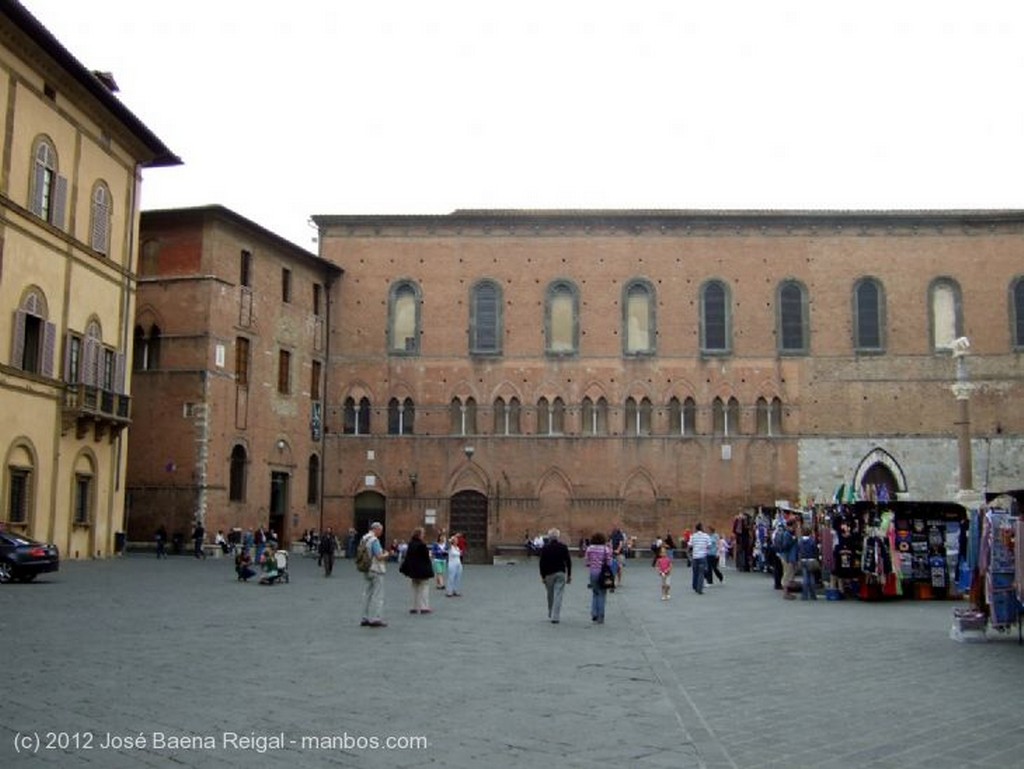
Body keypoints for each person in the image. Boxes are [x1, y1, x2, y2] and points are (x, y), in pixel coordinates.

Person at [538, 528, 572, 623]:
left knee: (550, 594)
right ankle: (555, 616)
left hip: (548, 574)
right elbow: (568, 562)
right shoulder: (563, 547)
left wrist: (542, 576)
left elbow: (541, 563)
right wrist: (569, 575)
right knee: (558, 595)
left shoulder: (545, 548)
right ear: (558, 537)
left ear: (549, 537)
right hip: (560, 573)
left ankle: (551, 612)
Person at [399, 527, 434, 614]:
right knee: (424, 588)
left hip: (413, 570)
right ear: (419, 535)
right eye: (422, 534)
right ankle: (424, 607)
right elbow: (426, 557)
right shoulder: (422, 545)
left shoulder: (411, 544)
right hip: (422, 570)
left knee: (414, 588)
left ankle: (414, 606)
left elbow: (408, 556)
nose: (423, 535)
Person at [360, 522, 388, 627]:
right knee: (378, 594)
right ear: (376, 529)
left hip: (366, 568)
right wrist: (387, 554)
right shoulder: (374, 540)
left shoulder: (364, 539)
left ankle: (364, 617)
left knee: (367, 594)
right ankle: (377, 618)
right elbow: (379, 556)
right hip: (376, 569)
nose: (381, 533)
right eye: (381, 530)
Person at [585, 532, 613, 623]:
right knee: (602, 594)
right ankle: (601, 616)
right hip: (603, 573)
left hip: (593, 572)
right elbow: (609, 562)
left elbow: (587, 562)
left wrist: (592, 564)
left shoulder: (589, 549)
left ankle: (594, 613)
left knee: (595, 592)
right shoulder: (606, 549)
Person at [779, 517, 800, 600]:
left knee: (789, 574)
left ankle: (787, 592)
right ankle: (785, 592)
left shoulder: (789, 533)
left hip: (789, 556)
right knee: (787, 574)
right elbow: (785, 546)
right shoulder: (787, 534)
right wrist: (793, 539)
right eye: (795, 525)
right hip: (787, 557)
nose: (796, 527)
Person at [689, 522, 711, 595]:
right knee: (701, 573)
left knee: (695, 572)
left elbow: (690, 545)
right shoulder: (706, 536)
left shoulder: (693, 536)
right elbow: (709, 546)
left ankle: (695, 586)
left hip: (695, 556)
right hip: (702, 556)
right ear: (702, 528)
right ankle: (699, 589)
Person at [798, 525, 819, 600]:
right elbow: (815, 550)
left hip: (803, 560)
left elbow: (799, 551)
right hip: (811, 560)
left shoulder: (800, 541)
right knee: (811, 577)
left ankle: (804, 595)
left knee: (805, 578)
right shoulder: (812, 541)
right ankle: (813, 595)